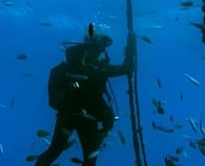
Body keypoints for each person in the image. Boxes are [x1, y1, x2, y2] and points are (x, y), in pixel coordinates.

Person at [36, 25, 135, 166]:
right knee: (77, 156)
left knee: (60, 152)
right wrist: (130, 47)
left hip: (78, 117)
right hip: (77, 116)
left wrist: (131, 46)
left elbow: (126, 69)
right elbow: (126, 68)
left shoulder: (98, 68)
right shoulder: (73, 66)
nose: (99, 53)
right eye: (98, 48)